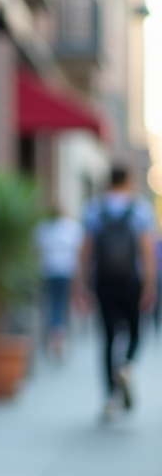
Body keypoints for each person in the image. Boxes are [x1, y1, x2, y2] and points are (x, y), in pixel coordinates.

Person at [74, 164, 157, 419]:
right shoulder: (140, 209)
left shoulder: (94, 209)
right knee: (135, 332)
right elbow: (147, 252)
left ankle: (111, 398)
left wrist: (80, 284)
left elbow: (85, 251)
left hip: (104, 282)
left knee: (108, 338)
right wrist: (150, 285)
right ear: (128, 180)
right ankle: (127, 367)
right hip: (132, 282)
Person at [34, 206, 84, 359]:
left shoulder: (43, 227)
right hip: (66, 270)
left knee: (53, 303)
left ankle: (55, 333)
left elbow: (36, 249)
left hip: (49, 270)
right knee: (61, 303)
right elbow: (79, 251)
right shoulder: (72, 227)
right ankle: (59, 334)